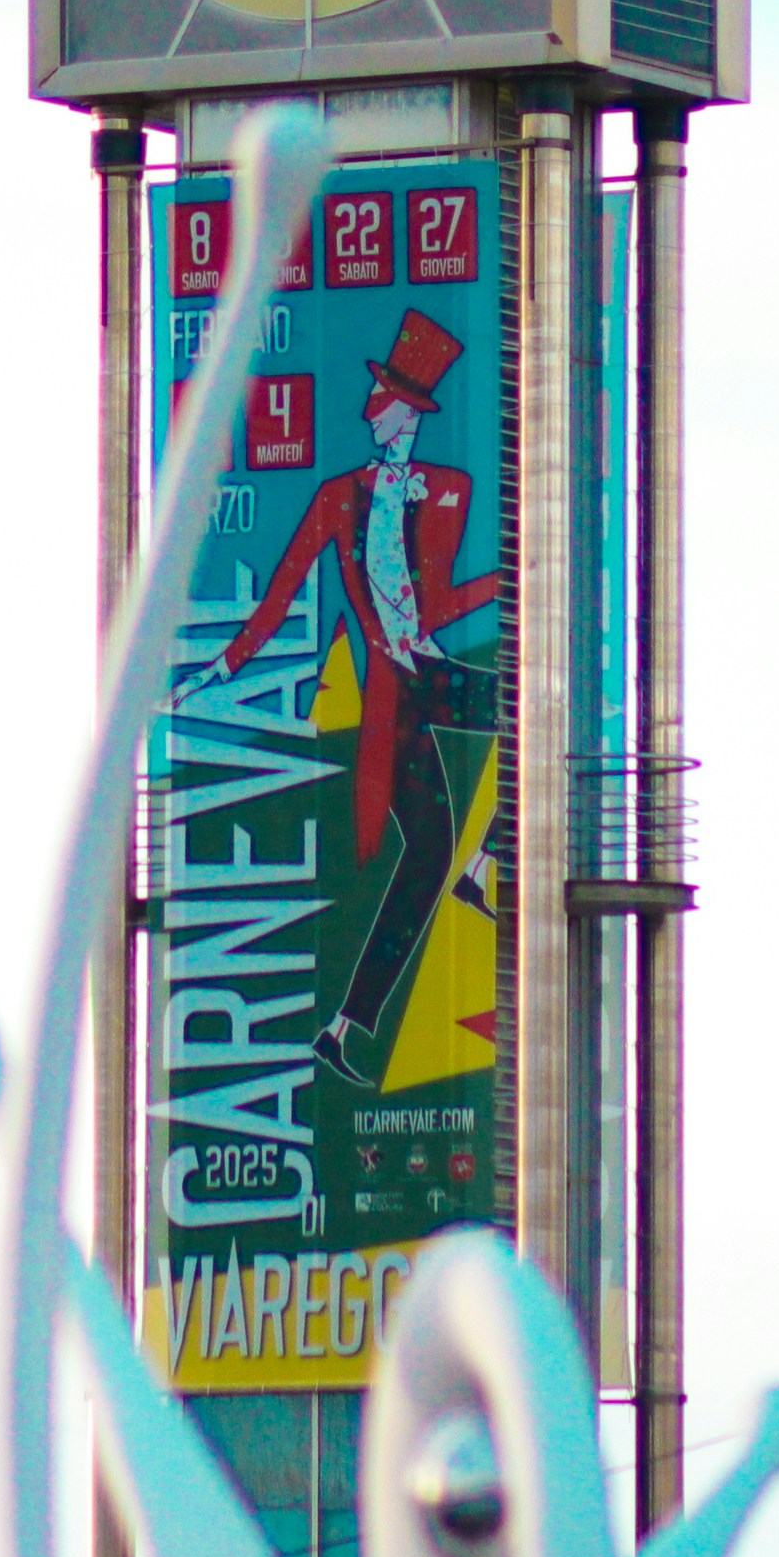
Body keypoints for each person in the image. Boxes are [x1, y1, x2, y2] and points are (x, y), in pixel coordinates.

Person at [217, 306, 501, 1086]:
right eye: (375, 396)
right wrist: (229, 664)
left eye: (383, 399)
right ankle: (343, 1026)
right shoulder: (340, 494)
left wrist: (504, 583)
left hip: (430, 671)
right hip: (396, 692)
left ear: (409, 411)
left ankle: (485, 859)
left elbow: (436, 606)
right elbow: (282, 588)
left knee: (533, 724)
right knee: (428, 851)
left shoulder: (449, 487)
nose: (369, 410)